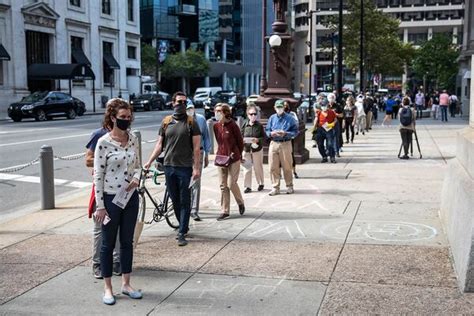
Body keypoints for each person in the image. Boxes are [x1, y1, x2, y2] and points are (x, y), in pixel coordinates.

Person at [93, 98, 142, 305]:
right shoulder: (103, 143)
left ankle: (126, 283)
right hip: (111, 199)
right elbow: (98, 175)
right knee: (107, 244)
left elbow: (138, 164)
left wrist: (137, 178)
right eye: (122, 117)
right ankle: (108, 288)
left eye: (129, 117)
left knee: (127, 242)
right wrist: (101, 205)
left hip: (130, 198)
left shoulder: (132, 139)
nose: (126, 120)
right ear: (113, 118)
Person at [144, 92, 202, 246]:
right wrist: (149, 161)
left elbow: (197, 148)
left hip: (184, 168)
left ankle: (182, 231)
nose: (181, 105)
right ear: (172, 103)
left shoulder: (191, 123)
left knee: (184, 200)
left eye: (184, 102)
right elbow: (159, 145)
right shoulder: (166, 122)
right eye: (178, 102)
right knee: (175, 199)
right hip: (169, 166)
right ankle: (183, 224)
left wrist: (196, 169)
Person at [85, 124, 121, 279]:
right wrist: (106, 159)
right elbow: (88, 160)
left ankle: (116, 261)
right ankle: (97, 263)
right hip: (102, 188)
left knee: (120, 227)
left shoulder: (127, 135)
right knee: (100, 226)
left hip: (121, 189)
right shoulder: (99, 135)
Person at [213, 103, 246, 219]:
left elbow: (240, 142)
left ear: (225, 113)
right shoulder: (216, 126)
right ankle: (225, 210)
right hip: (221, 158)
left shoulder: (233, 125)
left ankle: (240, 202)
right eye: (215, 111)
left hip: (233, 158)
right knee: (223, 185)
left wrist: (238, 154)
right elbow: (219, 141)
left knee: (231, 184)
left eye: (219, 111)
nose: (216, 113)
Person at [266, 99, 299, 195]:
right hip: (274, 143)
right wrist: (271, 133)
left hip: (285, 143)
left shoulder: (290, 118)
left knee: (287, 166)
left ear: (284, 107)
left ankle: (289, 186)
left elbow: (296, 132)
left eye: (281, 107)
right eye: (277, 107)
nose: (279, 109)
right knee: (272, 166)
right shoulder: (272, 118)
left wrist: (286, 133)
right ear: (274, 108)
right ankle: (275, 187)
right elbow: (267, 130)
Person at [186, 102, 211, 222]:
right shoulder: (182, 120)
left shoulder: (201, 119)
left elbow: (206, 137)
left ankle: (194, 210)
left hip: (199, 153)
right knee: (185, 180)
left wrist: (207, 155)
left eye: (191, 108)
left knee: (196, 181)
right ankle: (186, 206)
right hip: (185, 153)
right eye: (187, 109)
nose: (189, 111)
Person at [241, 104, 265, 193]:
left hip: (257, 149)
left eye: (255, 114)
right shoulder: (244, 124)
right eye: (251, 114)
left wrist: (257, 140)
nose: (253, 116)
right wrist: (242, 141)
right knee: (247, 168)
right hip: (246, 149)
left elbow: (264, 137)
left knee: (258, 167)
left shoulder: (259, 125)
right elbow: (240, 136)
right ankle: (247, 186)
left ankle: (261, 183)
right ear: (248, 115)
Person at [283, 101, 300, 178]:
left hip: (289, 137)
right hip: (280, 138)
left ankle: (294, 171)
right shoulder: (278, 115)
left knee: (291, 155)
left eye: (286, 106)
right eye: (284, 106)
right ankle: (280, 172)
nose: (285, 107)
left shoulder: (292, 114)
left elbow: (296, 123)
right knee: (280, 156)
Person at [328, 93, 343, 157]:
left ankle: (337, 152)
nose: (331, 99)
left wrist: (336, 114)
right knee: (328, 138)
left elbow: (342, 115)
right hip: (328, 124)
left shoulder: (338, 106)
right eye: (330, 98)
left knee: (336, 138)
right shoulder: (326, 106)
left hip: (336, 124)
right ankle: (328, 151)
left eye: (333, 98)